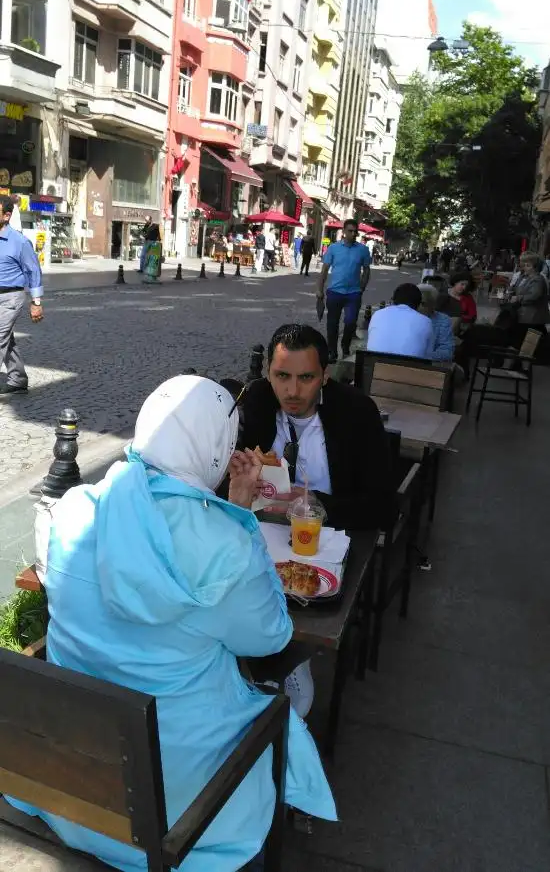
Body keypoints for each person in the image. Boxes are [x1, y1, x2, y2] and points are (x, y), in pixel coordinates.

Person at [8, 375, 336, 872]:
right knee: (276, 700)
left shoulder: (76, 508)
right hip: (177, 801)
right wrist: (238, 521)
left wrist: (231, 515)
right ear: (215, 448)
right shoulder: (223, 540)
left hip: (74, 786)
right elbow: (271, 636)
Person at [240, 323, 394, 532]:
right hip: (262, 532)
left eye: (306, 377)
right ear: (268, 372)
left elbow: (382, 506)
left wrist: (318, 504)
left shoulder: (357, 411)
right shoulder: (256, 401)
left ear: (325, 375)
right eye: (282, 376)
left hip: (332, 533)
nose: (292, 392)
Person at [0, 195, 44, 395]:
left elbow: (33, 271)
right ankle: (18, 379)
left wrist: (36, 302)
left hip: (11, 297)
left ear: (6, 215)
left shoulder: (19, 242)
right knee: (6, 339)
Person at [316, 219, 371, 361]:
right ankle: (332, 351)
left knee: (351, 322)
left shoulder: (363, 250)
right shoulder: (333, 248)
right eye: (350, 231)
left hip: (353, 293)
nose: (353, 234)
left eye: (355, 231)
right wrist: (319, 289)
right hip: (335, 292)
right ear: (344, 231)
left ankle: (345, 345)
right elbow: (324, 270)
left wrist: (362, 287)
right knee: (332, 323)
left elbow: (366, 270)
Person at [367, 283, 434, 359]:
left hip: (374, 367)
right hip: (407, 369)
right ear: (418, 304)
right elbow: (428, 357)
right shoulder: (426, 322)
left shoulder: (377, 314)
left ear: (393, 300)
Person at [506, 250, 549, 348]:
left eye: (527, 265)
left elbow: (534, 295)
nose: (524, 267)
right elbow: (517, 289)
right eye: (523, 264)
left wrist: (518, 298)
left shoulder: (537, 279)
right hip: (522, 317)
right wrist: (511, 291)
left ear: (534, 266)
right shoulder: (524, 277)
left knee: (527, 348)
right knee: (517, 345)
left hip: (532, 318)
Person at [417, 283, 455, 361]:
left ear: (433, 305)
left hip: (429, 365)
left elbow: (447, 351)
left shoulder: (443, 320)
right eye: (416, 302)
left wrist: (421, 357)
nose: (418, 307)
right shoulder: (407, 317)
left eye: (423, 303)